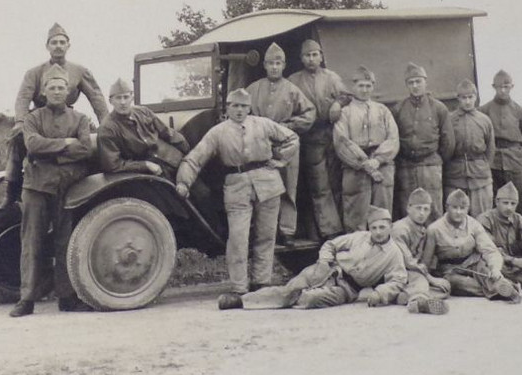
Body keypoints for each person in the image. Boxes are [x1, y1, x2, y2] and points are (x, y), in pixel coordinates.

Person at [177, 87, 299, 294]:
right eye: (235, 106)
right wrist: (183, 182)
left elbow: (292, 138)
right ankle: (239, 287)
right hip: (237, 185)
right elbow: (195, 158)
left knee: (266, 235)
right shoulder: (218, 132)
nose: (240, 110)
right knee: (238, 238)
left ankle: (262, 283)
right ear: (228, 107)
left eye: (244, 106)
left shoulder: (263, 124)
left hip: (268, 183)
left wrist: (280, 160)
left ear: (249, 107)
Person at [9, 70, 97, 317]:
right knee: (32, 241)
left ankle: (67, 297)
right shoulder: (32, 118)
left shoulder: (80, 119)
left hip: (68, 188)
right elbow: (32, 144)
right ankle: (26, 299)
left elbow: (85, 149)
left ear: (69, 92)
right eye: (52, 87)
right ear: (44, 91)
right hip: (36, 186)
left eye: (62, 87)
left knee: (65, 241)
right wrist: (65, 145)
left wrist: (51, 153)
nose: (57, 91)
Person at [227, 206, 429, 311]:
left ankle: (288, 299)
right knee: (293, 287)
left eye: (382, 227)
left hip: (347, 289)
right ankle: (240, 302)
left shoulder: (394, 254)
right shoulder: (359, 237)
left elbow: (398, 280)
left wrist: (380, 294)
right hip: (330, 269)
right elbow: (331, 244)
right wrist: (324, 262)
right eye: (374, 227)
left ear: (390, 227)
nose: (377, 232)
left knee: (311, 298)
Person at [4, 22, 108, 207]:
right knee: (18, 138)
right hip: (40, 118)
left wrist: (106, 124)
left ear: (68, 45)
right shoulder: (34, 73)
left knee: (93, 144)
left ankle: (92, 186)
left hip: (68, 118)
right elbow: (23, 98)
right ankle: (13, 188)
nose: (58, 46)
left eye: (62, 42)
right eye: (54, 42)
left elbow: (96, 97)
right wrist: (20, 121)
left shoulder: (80, 71)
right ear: (47, 46)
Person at [249, 41, 317, 240]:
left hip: (287, 146)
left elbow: (309, 113)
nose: (274, 67)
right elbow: (240, 113)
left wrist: (289, 126)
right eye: (270, 63)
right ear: (264, 65)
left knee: (288, 188)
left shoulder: (292, 90)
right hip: (260, 146)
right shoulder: (253, 89)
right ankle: (262, 231)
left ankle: (287, 231)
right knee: (261, 188)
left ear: (284, 65)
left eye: (278, 63)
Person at [287, 37, 346, 240]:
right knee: (319, 185)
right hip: (309, 137)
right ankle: (330, 233)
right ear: (301, 59)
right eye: (307, 56)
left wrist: (338, 103)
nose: (311, 59)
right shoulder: (294, 80)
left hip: (333, 134)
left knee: (338, 182)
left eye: (315, 55)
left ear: (321, 56)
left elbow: (345, 95)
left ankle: (344, 228)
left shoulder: (332, 77)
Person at [421, 188, 522, 302]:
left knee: (486, 273)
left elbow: (490, 250)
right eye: (454, 208)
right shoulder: (434, 229)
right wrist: (432, 279)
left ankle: (502, 288)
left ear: (467, 209)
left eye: (462, 208)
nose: (458, 212)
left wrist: (495, 269)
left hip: (473, 263)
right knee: (459, 283)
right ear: (446, 207)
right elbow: (426, 263)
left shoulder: (474, 225)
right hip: (449, 269)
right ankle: (504, 289)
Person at [332, 66, 400, 231]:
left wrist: (377, 160)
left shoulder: (382, 110)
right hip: (355, 168)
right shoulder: (345, 112)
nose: (364, 90)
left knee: (382, 214)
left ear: (373, 87)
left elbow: (393, 138)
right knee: (356, 216)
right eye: (361, 86)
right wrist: (364, 163)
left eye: (368, 86)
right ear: (353, 87)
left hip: (382, 166)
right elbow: (342, 141)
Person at [392, 62, 453, 220]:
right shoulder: (399, 109)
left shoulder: (439, 108)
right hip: (406, 167)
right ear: (406, 85)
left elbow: (448, 141)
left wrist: (436, 160)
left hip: (430, 166)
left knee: (433, 207)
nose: (415, 86)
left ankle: (435, 241)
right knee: (409, 206)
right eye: (411, 82)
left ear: (425, 82)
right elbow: (394, 138)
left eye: (418, 81)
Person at [96, 77, 189, 179]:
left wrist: (188, 151)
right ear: (111, 101)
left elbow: (167, 132)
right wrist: (145, 165)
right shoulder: (107, 129)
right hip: (151, 173)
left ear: (132, 97)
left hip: (173, 157)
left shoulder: (144, 112)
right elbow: (113, 165)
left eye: (126, 97)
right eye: (118, 98)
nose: (123, 102)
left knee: (201, 190)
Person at [482, 70, 522, 215]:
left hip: (518, 162)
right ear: (494, 87)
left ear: (512, 86)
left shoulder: (521, 111)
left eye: (506, 87)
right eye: (499, 87)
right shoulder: (484, 110)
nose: (503, 90)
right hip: (495, 160)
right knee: (496, 202)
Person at [390, 187, 453, 311]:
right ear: (408, 208)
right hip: (397, 269)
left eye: (426, 209)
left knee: (444, 288)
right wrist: (430, 278)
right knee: (421, 281)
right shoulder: (400, 229)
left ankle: (402, 297)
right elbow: (407, 261)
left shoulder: (422, 229)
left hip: (413, 271)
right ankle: (419, 303)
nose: (422, 213)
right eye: (418, 208)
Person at [443, 80, 496, 216]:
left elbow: (490, 148)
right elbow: (444, 146)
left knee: (482, 215)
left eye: (470, 97)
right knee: (456, 216)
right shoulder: (449, 119)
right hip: (455, 175)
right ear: (458, 99)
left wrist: (483, 168)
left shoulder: (484, 120)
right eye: (464, 98)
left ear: (476, 97)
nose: (467, 101)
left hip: (480, 176)